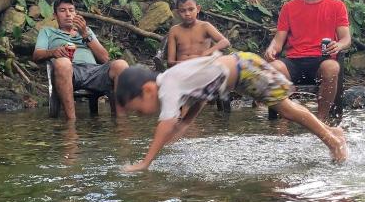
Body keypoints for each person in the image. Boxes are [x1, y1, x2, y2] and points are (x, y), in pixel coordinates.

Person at [115, 52, 348, 171]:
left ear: (147, 90)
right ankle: (333, 132)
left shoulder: (167, 88)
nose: (141, 115)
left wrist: (145, 162)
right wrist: (186, 122)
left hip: (244, 70)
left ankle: (332, 141)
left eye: (137, 110)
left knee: (286, 109)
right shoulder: (173, 81)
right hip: (242, 69)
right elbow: (202, 96)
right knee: (286, 108)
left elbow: (164, 125)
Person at [264, 0, 351, 121]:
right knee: (273, 67)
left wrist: (338, 45)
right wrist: (271, 49)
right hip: (294, 61)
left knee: (332, 67)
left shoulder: (337, 6)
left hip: (321, 60)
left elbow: (346, 39)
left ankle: (321, 120)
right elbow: (278, 40)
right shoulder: (289, 7)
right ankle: (282, 121)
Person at [33, 0, 129, 120]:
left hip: (94, 71)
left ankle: (122, 123)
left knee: (121, 65)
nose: (68, 14)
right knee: (63, 63)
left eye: (71, 10)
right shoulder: (47, 31)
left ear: (75, 13)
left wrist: (84, 34)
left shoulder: (86, 31)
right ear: (55, 16)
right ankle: (71, 124)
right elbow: (36, 55)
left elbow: (105, 58)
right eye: (62, 10)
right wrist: (53, 52)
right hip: (69, 70)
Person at [167, 0, 230, 66]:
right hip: (181, 68)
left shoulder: (205, 26)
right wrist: (184, 64)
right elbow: (170, 61)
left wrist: (207, 52)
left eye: (191, 9)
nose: (187, 14)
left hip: (202, 66)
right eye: (182, 11)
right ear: (178, 12)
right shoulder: (174, 30)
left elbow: (225, 42)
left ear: (198, 9)